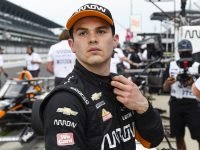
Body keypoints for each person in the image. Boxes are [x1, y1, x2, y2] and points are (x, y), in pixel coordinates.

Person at [40, 3, 164, 150]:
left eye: (101, 31)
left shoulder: (123, 87)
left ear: (115, 40)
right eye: (83, 33)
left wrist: (143, 105)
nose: (92, 39)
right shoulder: (65, 100)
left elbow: (153, 140)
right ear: (72, 45)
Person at [163, 39, 200, 150]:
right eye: (183, 52)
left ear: (191, 52)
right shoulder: (171, 66)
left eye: (187, 52)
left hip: (194, 104)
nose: (185, 55)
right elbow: (164, 89)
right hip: (176, 104)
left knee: (199, 136)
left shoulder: (197, 66)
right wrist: (167, 83)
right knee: (178, 137)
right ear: (179, 53)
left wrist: (194, 83)